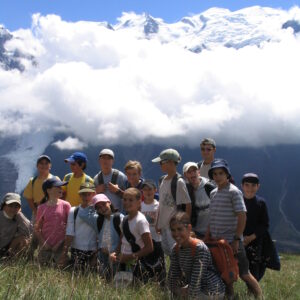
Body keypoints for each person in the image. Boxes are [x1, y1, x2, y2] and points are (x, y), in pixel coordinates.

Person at [206, 159, 262, 298]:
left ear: (227, 175)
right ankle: (229, 296)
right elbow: (212, 217)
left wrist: (237, 239)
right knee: (224, 271)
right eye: (215, 174)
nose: (217, 176)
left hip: (232, 240)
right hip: (217, 241)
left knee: (244, 272)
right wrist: (208, 235)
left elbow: (242, 216)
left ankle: (260, 296)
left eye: (221, 173)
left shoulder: (234, 192)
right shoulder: (213, 193)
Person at [168, 211, 225, 299]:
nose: (176, 234)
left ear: (189, 228)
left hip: (212, 290)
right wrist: (174, 291)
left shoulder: (199, 248)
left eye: (179, 229)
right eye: (173, 230)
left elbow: (196, 279)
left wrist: (185, 294)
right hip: (194, 288)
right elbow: (173, 277)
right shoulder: (175, 249)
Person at [152, 148, 191, 256]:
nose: (160, 165)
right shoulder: (163, 180)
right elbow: (161, 204)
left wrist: (185, 226)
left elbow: (188, 204)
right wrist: (157, 223)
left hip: (174, 227)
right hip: (163, 226)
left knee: (177, 254)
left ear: (169, 162)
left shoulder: (179, 182)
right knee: (169, 254)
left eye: (161, 162)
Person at [111, 188, 154, 283]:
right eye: (125, 199)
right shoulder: (124, 220)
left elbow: (149, 247)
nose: (127, 202)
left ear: (139, 202)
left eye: (131, 200)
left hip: (136, 264)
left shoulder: (141, 221)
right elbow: (122, 240)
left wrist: (130, 256)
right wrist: (115, 253)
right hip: (122, 262)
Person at [78, 193, 123, 279]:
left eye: (103, 204)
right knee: (103, 281)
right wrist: (92, 205)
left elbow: (123, 236)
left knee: (116, 282)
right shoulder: (97, 220)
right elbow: (82, 214)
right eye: (98, 207)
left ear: (109, 202)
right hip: (102, 256)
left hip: (115, 255)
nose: (102, 208)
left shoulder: (119, 217)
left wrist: (116, 252)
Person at [60, 182, 97, 272]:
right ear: (80, 195)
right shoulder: (73, 211)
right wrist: (64, 253)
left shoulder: (98, 211)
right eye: (84, 194)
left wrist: (97, 253)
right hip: (76, 249)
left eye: (89, 194)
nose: (86, 197)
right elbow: (70, 232)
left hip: (94, 250)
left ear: (94, 194)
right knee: (77, 276)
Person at [35, 178, 71, 265]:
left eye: (61, 187)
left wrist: (59, 244)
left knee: (60, 270)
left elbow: (69, 227)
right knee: (43, 271)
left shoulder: (66, 205)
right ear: (49, 190)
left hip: (61, 247)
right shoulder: (41, 208)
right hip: (45, 247)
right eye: (58, 187)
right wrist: (44, 243)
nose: (61, 189)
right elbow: (37, 228)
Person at [241, 173, 270, 281]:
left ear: (258, 186)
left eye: (253, 185)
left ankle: (253, 292)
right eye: (247, 185)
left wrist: (251, 237)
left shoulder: (261, 203)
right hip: (239, 238)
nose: (250, 188)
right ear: (242, 186)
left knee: (254, 266)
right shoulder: (237, 201)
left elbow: (265, 224)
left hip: (256, 240)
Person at [140, 179, 166, 284]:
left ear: (155, 190)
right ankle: (146, 281)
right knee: (144, 262)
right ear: (142, 192)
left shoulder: (159, 205)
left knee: (159, 262)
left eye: (150, 189)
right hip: (144, 240)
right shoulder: (139, 206)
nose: (148, 192)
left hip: (157, 239)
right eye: (145, 189)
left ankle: (162, 282)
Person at [182, 162, 215, 239]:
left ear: (199, 172)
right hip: (195, 232)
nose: (193, 174)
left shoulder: (209, 186)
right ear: (185, 175)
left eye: (194, 171)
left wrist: (208, 233)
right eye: (189, 172)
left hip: (212, 232)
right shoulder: (185, 190)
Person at [0, 193, 31, 259]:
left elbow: (28, 231)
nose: (13, 209)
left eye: (16, 206)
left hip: (8, 248)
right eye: (10, 206)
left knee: (23, 239)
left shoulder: (18, 217)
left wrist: (20, 215)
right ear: (4, 206)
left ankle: (11, 260)